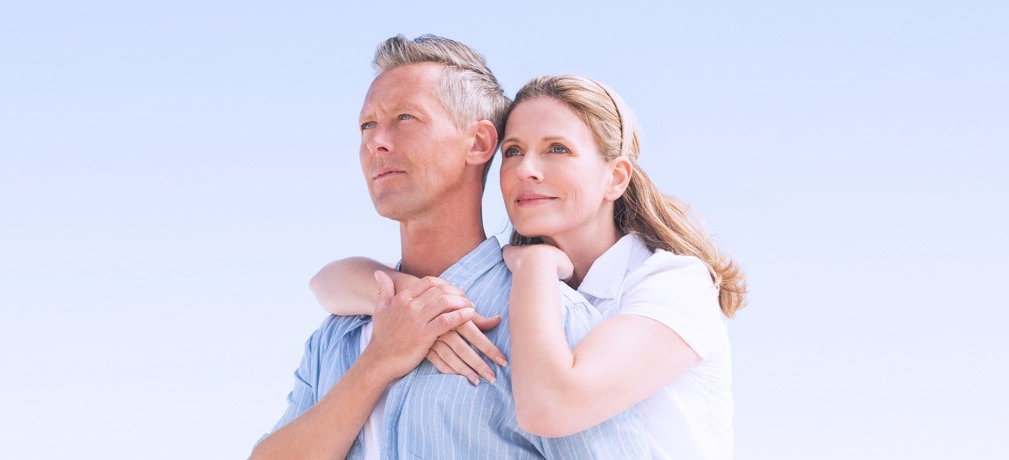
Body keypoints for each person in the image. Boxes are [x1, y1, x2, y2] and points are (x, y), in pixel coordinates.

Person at [252, 35, 647, 460]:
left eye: (405, 117)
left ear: (478, 144)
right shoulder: (339, 334)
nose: (375, 142)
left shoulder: (552, 324)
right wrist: (377, 363)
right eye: (367, 125)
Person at [311, 74, 745, 459]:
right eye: (514, 151)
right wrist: (420, 303)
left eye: (557, 149)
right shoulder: (506, 274)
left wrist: (536, 266)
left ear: (615, 177)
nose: (527, 171)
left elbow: (549, 407)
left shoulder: (673, 284)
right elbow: (327, 284)